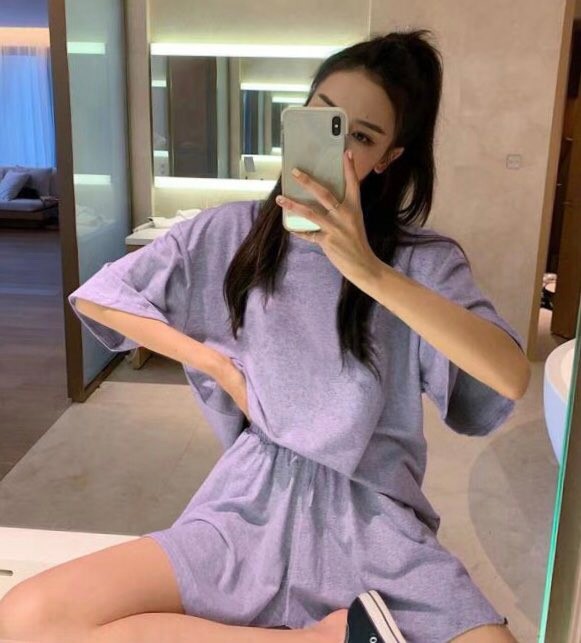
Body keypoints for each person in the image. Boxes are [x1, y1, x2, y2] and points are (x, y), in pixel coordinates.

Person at [0, 30, 530, 643]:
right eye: (323, 117)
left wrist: (370, 272)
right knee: (26, 618)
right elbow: (99, 295)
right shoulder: (234, 234)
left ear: (389, 157)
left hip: (373, 515)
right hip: (250, 502)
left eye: (361, 136)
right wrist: (220, 368)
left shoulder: (423, 262)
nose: (337, 145)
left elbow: (510, 376)